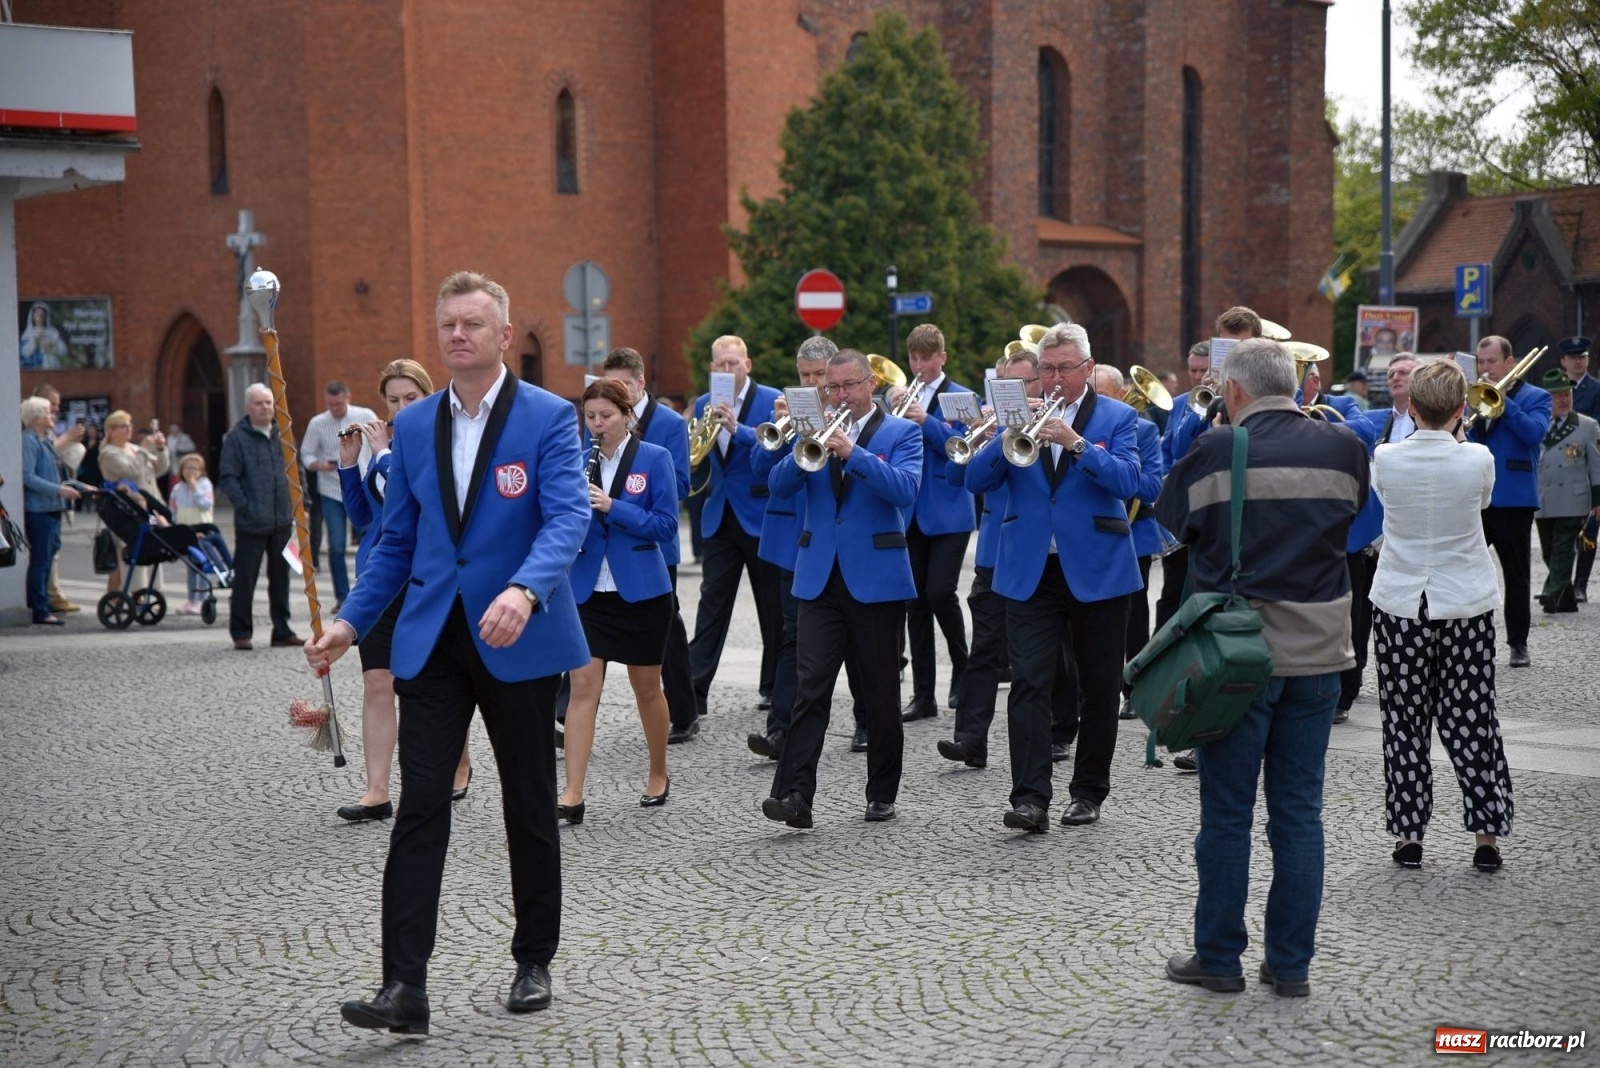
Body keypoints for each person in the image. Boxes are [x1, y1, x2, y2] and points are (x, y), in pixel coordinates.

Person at [305, 271, 590, 1033]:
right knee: (421, 807)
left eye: (473, 324)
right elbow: (393, 540)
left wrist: (526, 591)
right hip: (431, 640)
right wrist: (350, 623)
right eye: (447, 326)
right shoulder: (419, 423)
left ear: (503, 337)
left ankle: (533, 958)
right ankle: (405, 986)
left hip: (518, 635)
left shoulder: (549, 417)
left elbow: (565, 519)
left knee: (528, 802)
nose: (458, 335)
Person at [1156, 338, 1368, 998]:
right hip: (1319, 655)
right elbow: (1354, 526)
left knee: (1226, 816)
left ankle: (1218, 958)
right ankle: (1292, 966)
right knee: (1299, 816)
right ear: (1298, 387)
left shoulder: (1220, 447)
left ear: (1237, 394)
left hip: (1236, 658)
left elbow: (1170, 525)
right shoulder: (1345, 447)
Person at [966, 322, 1143, 832]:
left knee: (1099, 685)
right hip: (1029, 568)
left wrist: (1077, 443)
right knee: (1028, 683)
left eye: (1066, 368)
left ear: (1087, 369)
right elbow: (973, 481)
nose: (1057, 378)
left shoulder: (1118, 416)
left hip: (1098, 568)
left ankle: (1088, 792)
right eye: (1048, 369)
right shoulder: (1017, 414)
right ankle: (1029, 798)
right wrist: (1001, 435)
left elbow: (1133, 481)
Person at [762, 349, 922, 827]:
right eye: (831, 388)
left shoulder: (901, 433)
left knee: (878, 692)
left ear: (870, 383)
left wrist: (855, 455)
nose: (839, 395)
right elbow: (778, 486)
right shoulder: (814, 431)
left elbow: (905, 490)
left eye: (848, 386)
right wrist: (803, 446)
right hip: (818, 576)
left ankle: (881, 791)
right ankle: (793, 795)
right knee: (810, 690)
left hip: (877, 577)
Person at [1369, 358, 1513, 873]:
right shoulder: (1478, 457)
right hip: (1464, 602)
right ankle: (1486, 838)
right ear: (1459, 409)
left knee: (1404, 721)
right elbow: (1484, 502)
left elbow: (1386, 502)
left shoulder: (1385, 457)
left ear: (1411, 407)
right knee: (1473, 718)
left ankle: (1410, 834)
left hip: (1400, 601)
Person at [335, 359, 472, 823]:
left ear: (427, 398)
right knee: (378, 680)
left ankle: (459, 759)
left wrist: (386, 455)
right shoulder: (382, 448)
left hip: (428, 579)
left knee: (438, 681)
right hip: (381, 576)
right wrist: (350, 464)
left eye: (409, 399)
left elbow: (415, 496)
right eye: (392, 400)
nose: (398, 409)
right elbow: (366, 518)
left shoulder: (437, 441)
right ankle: (377, 790)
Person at [940, 347, 1078, 769]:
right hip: (995, 552)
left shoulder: (1053, 424)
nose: (1012, 396)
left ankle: (1060, 726)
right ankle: (970, 737)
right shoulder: (997, 427)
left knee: (1051, 650)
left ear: (1039, 385)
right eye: (1004, 389)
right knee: (985, 646)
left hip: (1039, 550)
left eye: (1020, 387)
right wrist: (984, 436)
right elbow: (957, 477)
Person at [559, 379, 678, 820]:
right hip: (588, 591)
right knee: (582, 687)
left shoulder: (655, 458)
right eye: (590, 417)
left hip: (642, 590)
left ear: (627, 416)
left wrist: (613, 506)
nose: (597, 425)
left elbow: (666, 525)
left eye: (605, 416)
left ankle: (658, 772)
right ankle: (572, 792)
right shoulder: (576, 462)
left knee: (647, 688)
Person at [590, 348, 694, 745]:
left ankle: (684, 710)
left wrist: (621, 499)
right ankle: (568, 710)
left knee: (667, 633)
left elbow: (680, 484)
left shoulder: (666, 424)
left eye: (624, 385)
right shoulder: (597, 423)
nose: (619, 391)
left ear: (640, 382)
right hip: (599, 553)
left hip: (649, 550)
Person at [684, 335, 783, 739]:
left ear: (748, 364)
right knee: (712, 605)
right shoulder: (705, 403)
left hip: (760, 513)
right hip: (720, 515)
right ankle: (693, 691)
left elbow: (773, 447)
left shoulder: (772, 399)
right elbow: (698, 454)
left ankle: (773, 686)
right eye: (719, 365)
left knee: (772, 607)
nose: (725, 371)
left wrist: (738, 428)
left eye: (733, 363)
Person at [895, 323, 975, 723]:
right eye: (914, 357)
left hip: (949, 511)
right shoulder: (901, 395)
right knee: (915, 602)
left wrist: (924, 419)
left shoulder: (962, 396)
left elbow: (960, 448)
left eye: (927, 357)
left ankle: (964, 668)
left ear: (942, 357)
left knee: (940, 592)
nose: (920, 365)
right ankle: (923, 694)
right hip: (910, 510)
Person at [1468, 335, 1552, 668]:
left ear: (1510, 363)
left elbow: (1533, 434)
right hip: (1477, 498)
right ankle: (1472, 639)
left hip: (1515, 500)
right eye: (1481, 362)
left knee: (1516, 577)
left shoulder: (1537, 397)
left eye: (1491, 362)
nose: (1485, 369)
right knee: (1469, 573)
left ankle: (1518, 643)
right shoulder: (1472, 396)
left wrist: (1504, 402)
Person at [1093, 364, 1167, 719]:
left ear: (1121, 395)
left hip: (1131, 532)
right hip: (1087, 533)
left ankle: (1134, 689)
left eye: (1102, 395)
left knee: (1133, 616)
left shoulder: (1145, 428)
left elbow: (1151, 486)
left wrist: (1106, 465)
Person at [217, 384, 301, 651]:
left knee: (281, 579)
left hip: (281, 520)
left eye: (268, 402)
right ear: (247, 408)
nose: (265, 407)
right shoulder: (236, 438)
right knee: (245, 579)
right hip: (252, 522)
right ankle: (241, 631)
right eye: (258, 403)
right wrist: (246, 506)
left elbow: (295, 472)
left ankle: (282, 630)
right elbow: (228, 478)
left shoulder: (283, 434)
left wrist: (303, 504)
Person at [299, 382, 379, 607]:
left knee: (370, 539)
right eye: (330, 404)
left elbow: (379, 444)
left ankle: (367, 589)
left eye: (338, 403)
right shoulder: (318, 423)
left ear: (348, 398)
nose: (334, 408)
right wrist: (318, 465)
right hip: (332, 489)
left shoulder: (365, 415)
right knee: (336, 545)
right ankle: (342, 596)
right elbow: (305, 453)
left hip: (363, 486)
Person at [1156, 341, 1215, 632]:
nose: (1198, 376)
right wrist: (1198, 409)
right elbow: (1174, 449)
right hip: (1185, 505)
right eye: (1193, 370)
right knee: (1173, 588)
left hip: (1214, 502)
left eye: (1204, 370)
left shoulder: (1232, 399)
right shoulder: (1180, 403)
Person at [1533, 369, 1600, 613]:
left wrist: (1598, 500)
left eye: (1567, 394)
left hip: (1574, 498)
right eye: (1557, 395)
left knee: (1563, 546)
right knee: (1549, 551)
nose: (1564, 399)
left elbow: (1596, 465)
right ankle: (1567, 598)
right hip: (1544, 498)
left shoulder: (1587, 426)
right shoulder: (1538, 424)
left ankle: (1551, 593)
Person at [20, 396, 81, 625]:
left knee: (48, 555)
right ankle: (39, 608)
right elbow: (27, 476)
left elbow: (59, 472)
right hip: (39, 509)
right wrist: (59, 490)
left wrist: (81, 487)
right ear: (35, 418)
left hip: (52, 507)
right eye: (47, 412)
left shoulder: (44, 439)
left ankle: (42, 604)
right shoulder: (29, 440)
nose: (52, 415)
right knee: (41, 559)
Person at [98, 410, 171, 595]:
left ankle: (151, 591)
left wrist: (161, 449)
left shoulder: (134, 448)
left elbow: (159, 469)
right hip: (127, 510)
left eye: (129, 425)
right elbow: (130, 471)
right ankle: (134, 592)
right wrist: (145, 450)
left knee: (152, 547)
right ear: (111, 431)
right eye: (123, 426)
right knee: (132, 550)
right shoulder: (108, 453)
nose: (128, 429)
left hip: (150, 506)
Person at [1557, 337, 1599, 600]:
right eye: (1573, 357)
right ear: (1563, 361)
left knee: (1589, 527)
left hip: (1586, 464)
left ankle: (1581, 584)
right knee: (1561, 526)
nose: (1578, 360)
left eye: (1582, 356)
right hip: (1560, 466)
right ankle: (1561, 584)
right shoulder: (1553, 388)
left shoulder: (1596, 390)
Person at [167, 453, 235, 614]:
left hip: (203, 529)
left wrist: (195, 488)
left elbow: (206, 504)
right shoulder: (177, 488)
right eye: (188, 468)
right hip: (186, 530)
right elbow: (173, 510)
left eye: (195, 468)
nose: (191, 471)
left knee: (203, 565)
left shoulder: (204, 484)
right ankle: (191, 600)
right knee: (192, 567)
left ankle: (202, 599)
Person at [20, 302, 67, 369]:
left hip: (51, 365)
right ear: (32, 316)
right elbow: (24, 353)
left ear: (46, 316)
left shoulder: (52, 332)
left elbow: (63, 350)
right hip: (34, 366)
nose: (39, 316)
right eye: (36, 314)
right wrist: (34, 342)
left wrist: (52, 344)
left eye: (42, 314)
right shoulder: (28, 333)